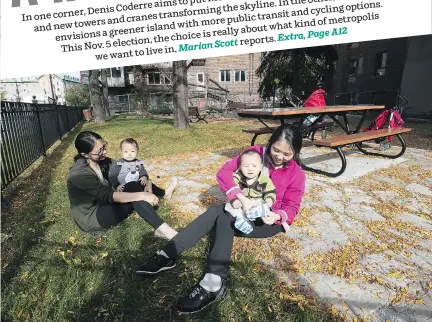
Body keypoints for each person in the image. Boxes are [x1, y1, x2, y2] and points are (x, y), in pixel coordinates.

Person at [136, 124, 306, 314]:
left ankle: (175, 258)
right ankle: (205, 277)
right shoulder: (254, 154)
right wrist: (240, 198)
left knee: (222, 214)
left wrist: (276, 216)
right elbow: (224, 172)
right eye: (276, 149)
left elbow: (292, 206)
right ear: (270, 143)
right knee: (223, 214)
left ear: (295, 152)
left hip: (266, 221)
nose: (279, 157)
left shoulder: (296, 174)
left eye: (287, 154)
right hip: (241, 209)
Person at [67, 131, 178, 240]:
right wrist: (143, 195)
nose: (104, 152)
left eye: (104, 146)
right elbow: (108, 195)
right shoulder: (79, 174)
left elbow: (130, 170)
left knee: (133, 184)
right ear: (85, 154)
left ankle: (163, 196)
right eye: (99, 151)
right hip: (93, 217)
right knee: (136, 194)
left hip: (105, 203)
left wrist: (147, 183)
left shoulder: (103, 161)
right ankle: (165, 231)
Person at [224, 149, 276, 235]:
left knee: (263, 205)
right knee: (231, 207)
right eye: (246, 166)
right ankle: (242, 222)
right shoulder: (237, 178)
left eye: (254, 166)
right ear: (240, 167)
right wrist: (234, 200)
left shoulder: (265, 180)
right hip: (241, 203)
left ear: (260, 167)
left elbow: (270, 191)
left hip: (257, 202)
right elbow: (231, 191)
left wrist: (269, 199)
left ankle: (258, 214)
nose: (250, 169)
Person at [108, 137, 178, 197]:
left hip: (136, 186)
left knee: (146, 182)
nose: (129, 154)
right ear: (121, 151)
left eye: (132, 151)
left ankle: (164, 194)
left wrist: (144, 176)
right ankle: (147, 195)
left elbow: (143, 171)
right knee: (137, 185)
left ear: (137, 151)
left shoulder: (138, 162)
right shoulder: (119, 163)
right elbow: (112, 176)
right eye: (126, 152)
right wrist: (117, 185)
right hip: (123, 189)